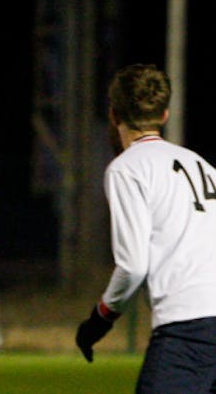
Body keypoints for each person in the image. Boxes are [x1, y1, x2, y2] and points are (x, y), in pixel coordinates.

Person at [74, 63, 216, 393]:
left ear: (114, 114)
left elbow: (133, 266)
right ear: (164, 114)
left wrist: (98, 321)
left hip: (189, 330)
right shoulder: (204, 166)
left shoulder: (127, 168)